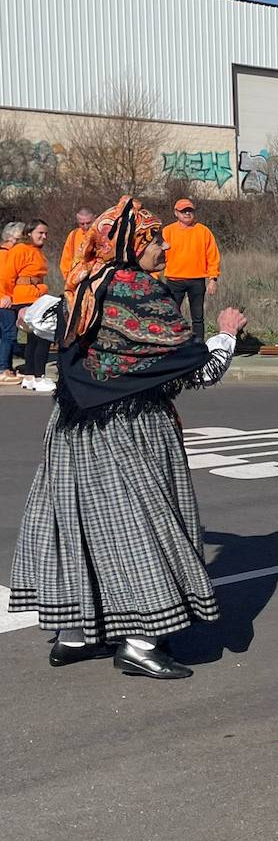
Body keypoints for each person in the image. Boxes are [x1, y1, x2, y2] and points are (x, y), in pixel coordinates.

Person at [8, 197, 247, 678]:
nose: (161, 247)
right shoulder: (140, 291)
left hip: (71, 427)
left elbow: (37, 320)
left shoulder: (81, 285)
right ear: (132, 245)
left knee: (74, 522)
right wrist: (227, 336)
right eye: (154, 239)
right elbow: (192, 370)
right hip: (130, 428)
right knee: (143, 525)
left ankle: (72, 634)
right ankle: (140, 641)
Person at [0, 218, 55, 393]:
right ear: (29, 233)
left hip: (37, 296)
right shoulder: (20, 250)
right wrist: (5, 296)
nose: (44, 236)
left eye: (46, 233)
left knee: (35, 337)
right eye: (40, 233)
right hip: (25, 297)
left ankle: (31, 376)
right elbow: (6, 275)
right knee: (43, 335)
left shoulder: (36, 251)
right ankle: (39, 376)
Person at [162, 198, 222, 341]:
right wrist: (153, 277)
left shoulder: (203, 231)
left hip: (197, 281)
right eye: (183, 211)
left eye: (189, 210)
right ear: (176, 213)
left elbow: (212, 256)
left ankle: (198, 347)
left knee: (198, 317)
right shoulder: (167, 231)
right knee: (171, 316)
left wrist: (213, 279)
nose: (187, 213)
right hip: (174, 280)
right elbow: (156, 256)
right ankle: (172, 345)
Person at [0, 220, 23, 384]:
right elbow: (5, 278)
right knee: (9, 334)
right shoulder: (6, 254)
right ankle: (3, 368)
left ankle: (5, 366)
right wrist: (7, 296)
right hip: (4, 300)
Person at [58, 206, 95, 276]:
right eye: (82, 224)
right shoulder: (73, 235)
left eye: (88, 223)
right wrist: (69, 279)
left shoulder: (102, 234)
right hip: (76, 279)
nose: (86, 226)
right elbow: (65, 262)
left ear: (95, 218)